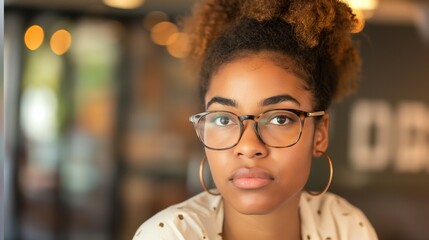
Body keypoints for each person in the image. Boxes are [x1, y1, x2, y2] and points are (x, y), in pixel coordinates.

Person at [133, 0, 378, 239]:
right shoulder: (171, 234)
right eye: (223, 120)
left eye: (280, 119)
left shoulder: (345, 227)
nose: (248, 147)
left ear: (320, 134)